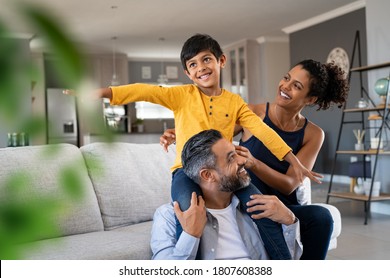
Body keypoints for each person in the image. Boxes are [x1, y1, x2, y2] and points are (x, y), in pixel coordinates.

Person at [65, 34, 321, 260]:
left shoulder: (235, 103)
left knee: (260, 209)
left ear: (221, 60)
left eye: (206, 59)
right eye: (193, 64)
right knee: (188, 211)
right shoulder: (182, 95)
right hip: (185, 172)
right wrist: (100, 93)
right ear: (188, 74)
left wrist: (293, 160)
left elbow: (264, 131)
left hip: (225, 172)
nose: (201, 68)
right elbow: (144, 91)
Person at [160, 59, 349, 259]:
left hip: (282, 205)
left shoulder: (313, 134)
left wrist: (254, 164)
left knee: (322, 217)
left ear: (310, 99)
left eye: (297, 86)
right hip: (246, 204)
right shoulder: (252, 112)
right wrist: (180, 133)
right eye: (286, 78)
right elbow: (214, 138)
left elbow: (289, 185)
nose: (285, 86)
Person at [151, 129, 302, 260]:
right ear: (208, 175)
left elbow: (287, 262)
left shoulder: (257, 208)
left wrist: (289, 220)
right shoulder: (168, 216)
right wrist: (190, 235)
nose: (243, 160)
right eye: (231, 158)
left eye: (237, 153)